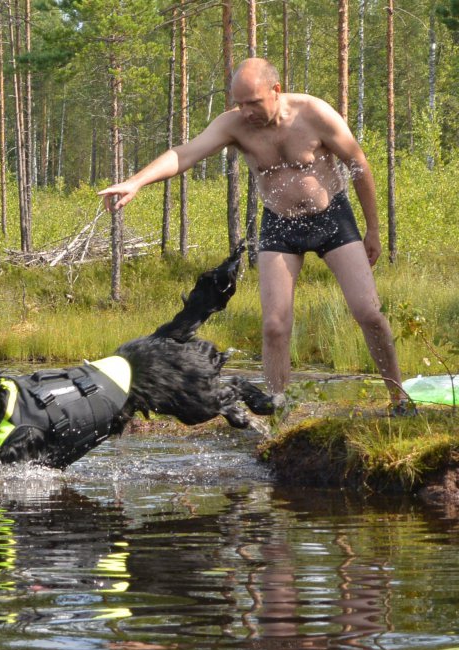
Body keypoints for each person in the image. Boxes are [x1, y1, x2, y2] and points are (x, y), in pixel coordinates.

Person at [98, 57, 414, 416]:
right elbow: (183, 154)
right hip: (280, 224)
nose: (245, 111)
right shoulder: (234, 126)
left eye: (253, 102)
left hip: (332, 219)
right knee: (275, 324)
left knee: (368, 312)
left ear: (275, 91)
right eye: (239, 103)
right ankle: (279, 407)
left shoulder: (314, 114)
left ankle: (399, 398)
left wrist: (373, 229)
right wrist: (136, 181)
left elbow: (359, 163)